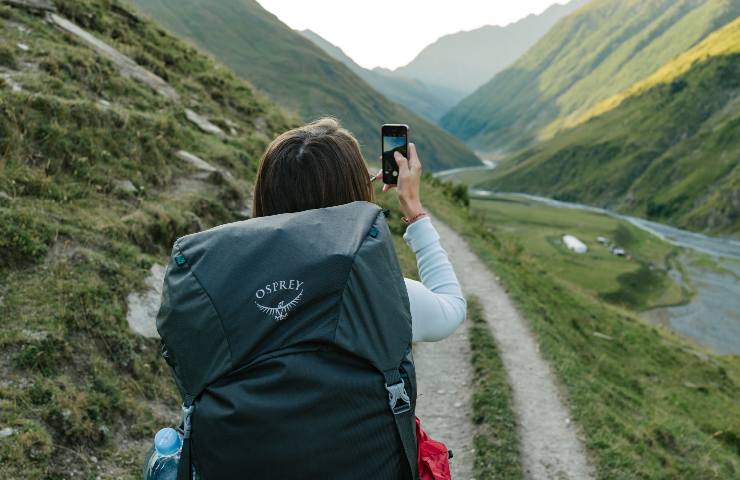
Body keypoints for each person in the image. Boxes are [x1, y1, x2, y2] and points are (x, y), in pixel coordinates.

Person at [252, 117, 466, 341]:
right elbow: (453, 307)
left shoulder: (230, 286)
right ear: (354, 198)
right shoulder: (384, 296)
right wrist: (415, 213)